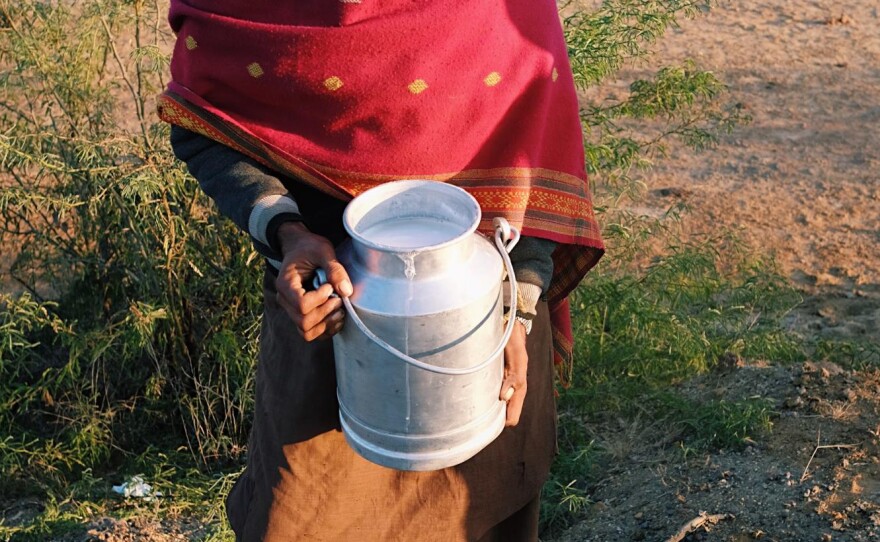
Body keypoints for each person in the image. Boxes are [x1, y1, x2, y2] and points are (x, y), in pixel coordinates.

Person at [160, 1, 604, 540]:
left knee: (484, 516)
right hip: (329, 320)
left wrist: (520, 304)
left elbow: (535, 144)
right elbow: (200, 125)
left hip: (486, 324)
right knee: (303, 521)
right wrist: (288, 233)